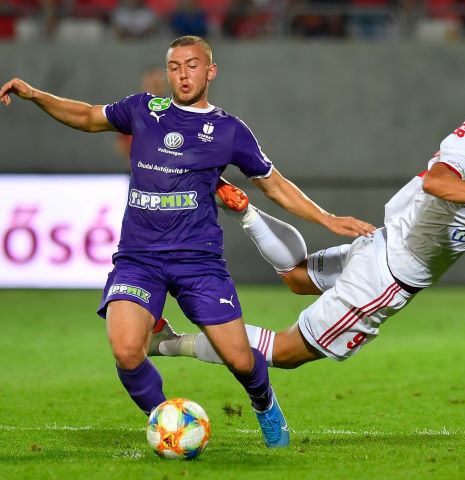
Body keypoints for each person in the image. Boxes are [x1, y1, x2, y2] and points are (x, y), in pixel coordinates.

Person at [0, 35, 375, 448]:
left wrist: (327, 218)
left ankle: (265, 403)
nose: (183, 74)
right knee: (126, 350)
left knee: (240, 359)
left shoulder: (229, 130)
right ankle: (169, 425)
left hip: (198, 262)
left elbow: (275, 184)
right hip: (139, 260)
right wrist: (35, 95)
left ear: (210, 71)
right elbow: (88, 116)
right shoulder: (143, 109)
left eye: (192, 66)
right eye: (175, 66)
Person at [148, 82, 465, 370]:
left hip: (381, 241)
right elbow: (438, 183)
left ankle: (247, 213)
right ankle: (169, 343)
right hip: (388, 278)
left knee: (297, 278)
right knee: (287, 352)